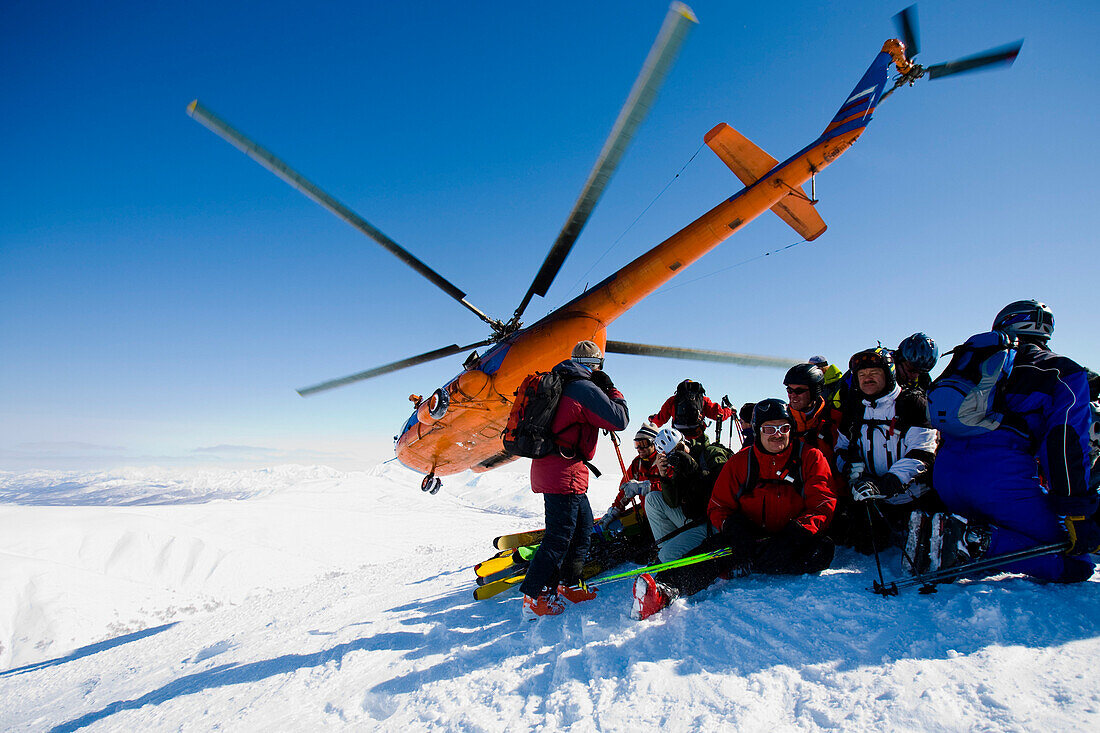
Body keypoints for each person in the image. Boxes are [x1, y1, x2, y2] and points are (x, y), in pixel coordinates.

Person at [927, 300, 1098, 582]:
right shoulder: (1063, 371)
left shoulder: (973, 364)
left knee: (1008, 526)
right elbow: (1065, 443)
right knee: (1076, 561)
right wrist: (1075, 511)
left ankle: (964, 535)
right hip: (1000, 481)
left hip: (947, 478)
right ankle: (977, 540)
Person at [630, 399, 837, 620]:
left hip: (792, 535)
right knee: (712, 552)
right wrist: (732, 526)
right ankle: (664, 590)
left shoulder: (810, 457)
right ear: (758, 430)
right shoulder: (741, 462)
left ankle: (744, 564)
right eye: (769, 429)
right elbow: (718, 506)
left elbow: (823, 502)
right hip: (748, 535)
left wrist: (800, 530)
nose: (777, 434)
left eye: (783, 428)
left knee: (822, 550)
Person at [520, 340, 630, 620]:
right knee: (558, 538)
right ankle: (534, 597)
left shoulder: (563, 382)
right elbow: (620, 419)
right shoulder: (583, 388)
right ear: (595, 366)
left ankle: (568, 584)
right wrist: (612, 389)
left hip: (560, 469)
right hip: (563, 473)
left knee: (581, 531)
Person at [831, 348, 939, 556]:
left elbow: (923, 453)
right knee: (861, 546)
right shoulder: (855, 409)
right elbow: (840, 448)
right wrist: (849, 466)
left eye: (874, 373)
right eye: (861, 375)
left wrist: (884, 484)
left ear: (889, 374)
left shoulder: (912, 403)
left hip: (914, 499)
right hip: (874, 503)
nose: (867, 378)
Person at [643, 425, 732, 564]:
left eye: (678, 449)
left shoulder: (709, 454)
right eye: (671, 454)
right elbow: (672, 502)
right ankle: (667, 553)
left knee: (667, 556)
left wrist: (696, 471)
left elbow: (728, 488)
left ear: (685, 441)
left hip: (715, 521)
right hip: (694, 518)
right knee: (652, 499)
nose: (678, 455)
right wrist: (664, 476)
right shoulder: (680, 468)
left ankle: (669, 557)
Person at [784, 363, 843, 467]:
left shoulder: (834, 420)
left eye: (799, 391)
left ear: (815, 391)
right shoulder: (781, 421)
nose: (793, 396)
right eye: (789, 390)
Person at [601, 421, 662, 521]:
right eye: (637, 444)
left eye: (643, 443)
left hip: (666, 517)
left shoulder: (664, 461)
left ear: (654, 443)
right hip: (649, 518)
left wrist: (645, 487)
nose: (639, 448)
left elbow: (672, 489)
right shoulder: (637, 464)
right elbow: (626, 490)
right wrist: (615, 510)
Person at [648, 379, 733, 439]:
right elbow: (719, 414)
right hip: (698, 435)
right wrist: (730, 410)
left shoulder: (673, 400)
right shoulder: (703, 400)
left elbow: (660, 419)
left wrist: (652, 420)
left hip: (678, 437)